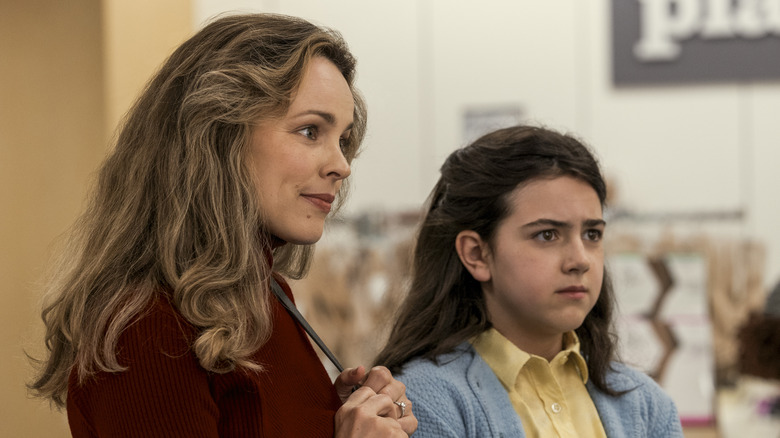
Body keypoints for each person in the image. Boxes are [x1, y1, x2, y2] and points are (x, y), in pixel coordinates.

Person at [29, 13, 416, 437]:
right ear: (219, 135)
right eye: (310, 131)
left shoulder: (264, 292)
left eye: (342, 139)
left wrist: (333, 418)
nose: (341, 165)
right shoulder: (149, 328)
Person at [374, 125, 682, 437]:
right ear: (477, 254)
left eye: (592, 234)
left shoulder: (647, 405)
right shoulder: (420, 403)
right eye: (547, 234)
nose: (580, 260)